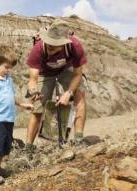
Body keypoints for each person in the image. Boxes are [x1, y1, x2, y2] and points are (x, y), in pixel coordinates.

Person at [26, 20, 87, 151]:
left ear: (64, 43)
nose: (50, 46)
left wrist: (69, 93)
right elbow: (32, 79)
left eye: (54, 46)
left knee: (79, 95)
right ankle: (28, 148)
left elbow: (77, 75)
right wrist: (33, 90)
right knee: (37, 107)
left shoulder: (75, 46)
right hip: (44, 73)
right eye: (48, 43)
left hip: (67, 70)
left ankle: (78, 140)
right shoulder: (38, 48)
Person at [0, 45, 33, 186]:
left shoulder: (8, 78)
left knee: (4, 147)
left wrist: (23, 104)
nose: (9, 70)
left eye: (11, 68)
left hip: (8, 119)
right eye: (6, 67)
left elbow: (12, 96)